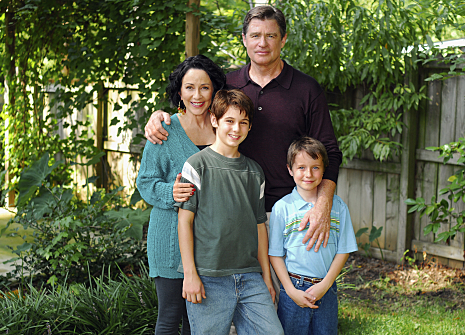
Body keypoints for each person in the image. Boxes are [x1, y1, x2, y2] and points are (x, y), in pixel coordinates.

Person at [145, 5, 342, 253]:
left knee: (296, 289)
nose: (263, 43)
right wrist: (161, 116)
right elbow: (197, 109)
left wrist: (323, 205)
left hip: (291, 211)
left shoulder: (307, 90)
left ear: (283, 39)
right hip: (233, 212)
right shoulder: (227, 86)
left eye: (270, 36)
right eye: (255, 36)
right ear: (244, 39)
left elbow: (330, 152)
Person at [176, 89, 284, 335]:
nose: (236, 129)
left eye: (243, 123)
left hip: (249, 277)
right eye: (229, 121)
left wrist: (266, 277)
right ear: (214, 120)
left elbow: (259, 226)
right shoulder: (196, 165)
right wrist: (190, 274)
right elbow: (184, 222)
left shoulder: (254, 172)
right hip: (209, 277)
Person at [136, 54, 226, 335]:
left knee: (197, 323)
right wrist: (170, 191)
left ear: (214, 91)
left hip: (210, 245)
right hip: (170, 240)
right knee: (169, 319)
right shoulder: (164, 130)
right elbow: (145, 182)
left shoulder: (223, 128)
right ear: (179, 92)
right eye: (189, 87)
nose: (197, 95)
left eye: (204, 87)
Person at [269, 137, 357, 335]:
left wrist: (325, 285)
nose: (308, 174)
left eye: (315, 167)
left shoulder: (338, 206)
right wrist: (291, 291)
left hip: (326, 289)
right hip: (293, 290)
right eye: (301, 167)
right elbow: (275, 254)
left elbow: (343, 251)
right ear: (290, 170)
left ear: (324, 169)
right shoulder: (282, 208)